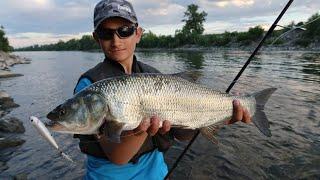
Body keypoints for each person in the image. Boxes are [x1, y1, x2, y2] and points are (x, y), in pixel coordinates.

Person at [73, 0, 252, 179]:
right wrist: (142, 127)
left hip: (158, 174)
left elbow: (182, 134)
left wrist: (219, 117)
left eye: (124, 31)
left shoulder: (154, 76)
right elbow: (119, 157)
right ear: (96, 38)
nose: (116, 40)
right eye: (106, 33)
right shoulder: (89, 87)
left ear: (138, 33)